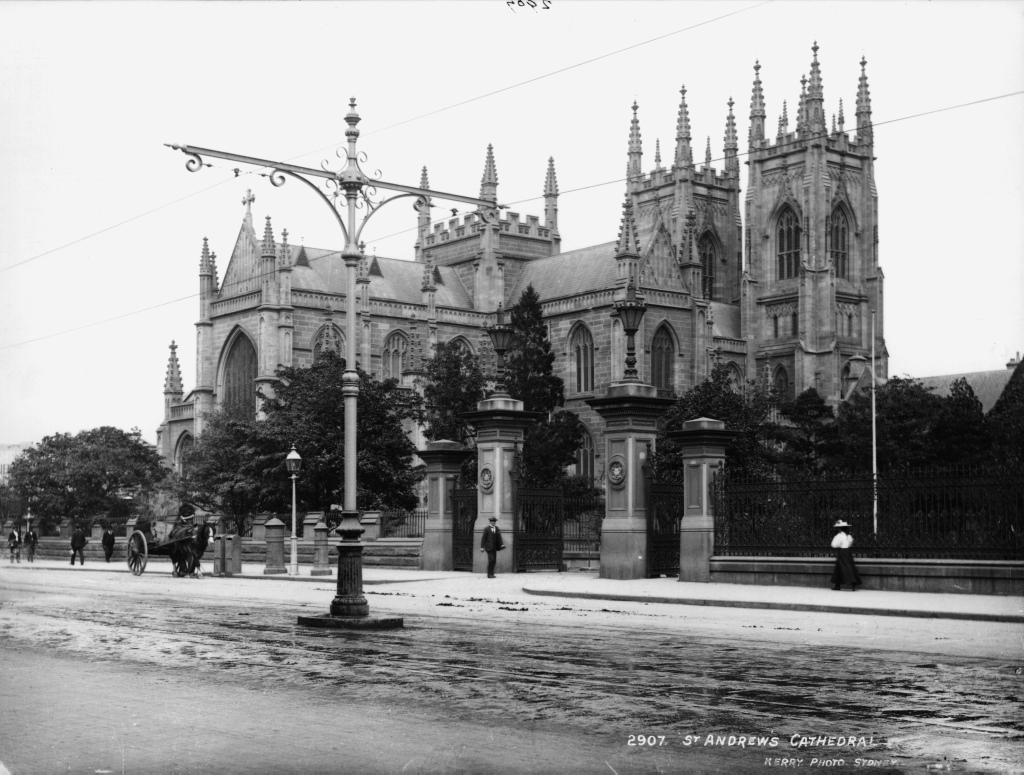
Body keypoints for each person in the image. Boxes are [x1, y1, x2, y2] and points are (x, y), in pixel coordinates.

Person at [830, 519, 861, 591]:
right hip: (847, 552)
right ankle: (852, 583)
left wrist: (839, 545)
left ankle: (838, 585)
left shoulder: (839, 536)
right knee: (849, 567)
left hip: (842, 552)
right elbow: (850, 543)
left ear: (840, 529)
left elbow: (834, 545)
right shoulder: (848, 536)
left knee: (840, 568)